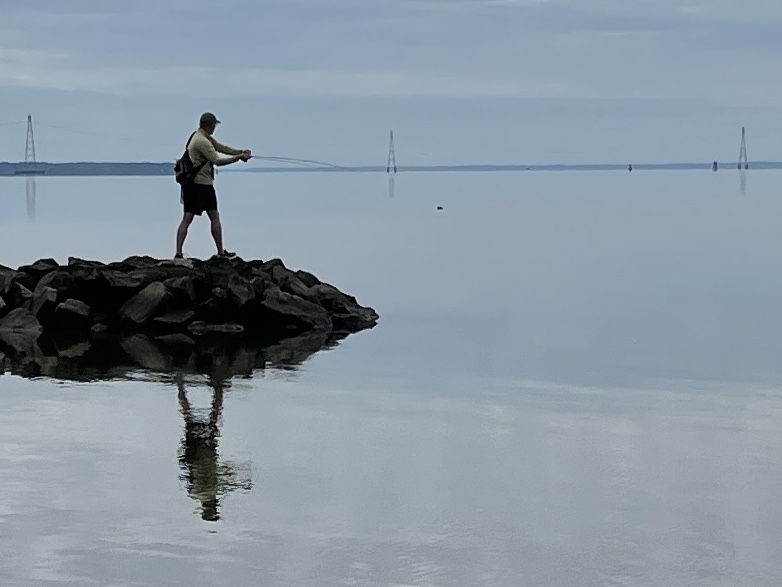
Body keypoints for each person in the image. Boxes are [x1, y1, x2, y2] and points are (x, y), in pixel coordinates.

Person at [175, 112, 252, 259]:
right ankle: (179, 253)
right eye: (214, 125)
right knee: (190, 217)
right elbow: (217, 160)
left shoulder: (202, 136)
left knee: (212, 215)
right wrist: (238, 158)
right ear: (207, 125)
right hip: (198, 185)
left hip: (201, 184)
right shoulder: (200, 141)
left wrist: (240, 151)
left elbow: (220, 147)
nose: (214, 128)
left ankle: (220, 252)